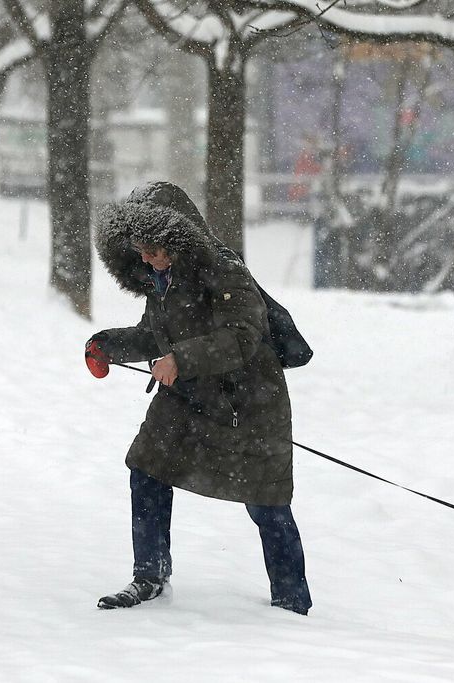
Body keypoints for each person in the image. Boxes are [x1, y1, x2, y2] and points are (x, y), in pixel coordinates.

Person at [86, 181, 312, 616]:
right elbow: (156, 334)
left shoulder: (224, 269)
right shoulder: (159, 278)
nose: (147, 259)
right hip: (187, 398)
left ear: (177, 239)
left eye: (154, 249)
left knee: (267, 503)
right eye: (139, 250)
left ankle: (291, 602)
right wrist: (108, 346)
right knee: (146, 469)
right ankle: (149, 576)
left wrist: (181, 359)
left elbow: (243, 337)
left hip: (248, 403)